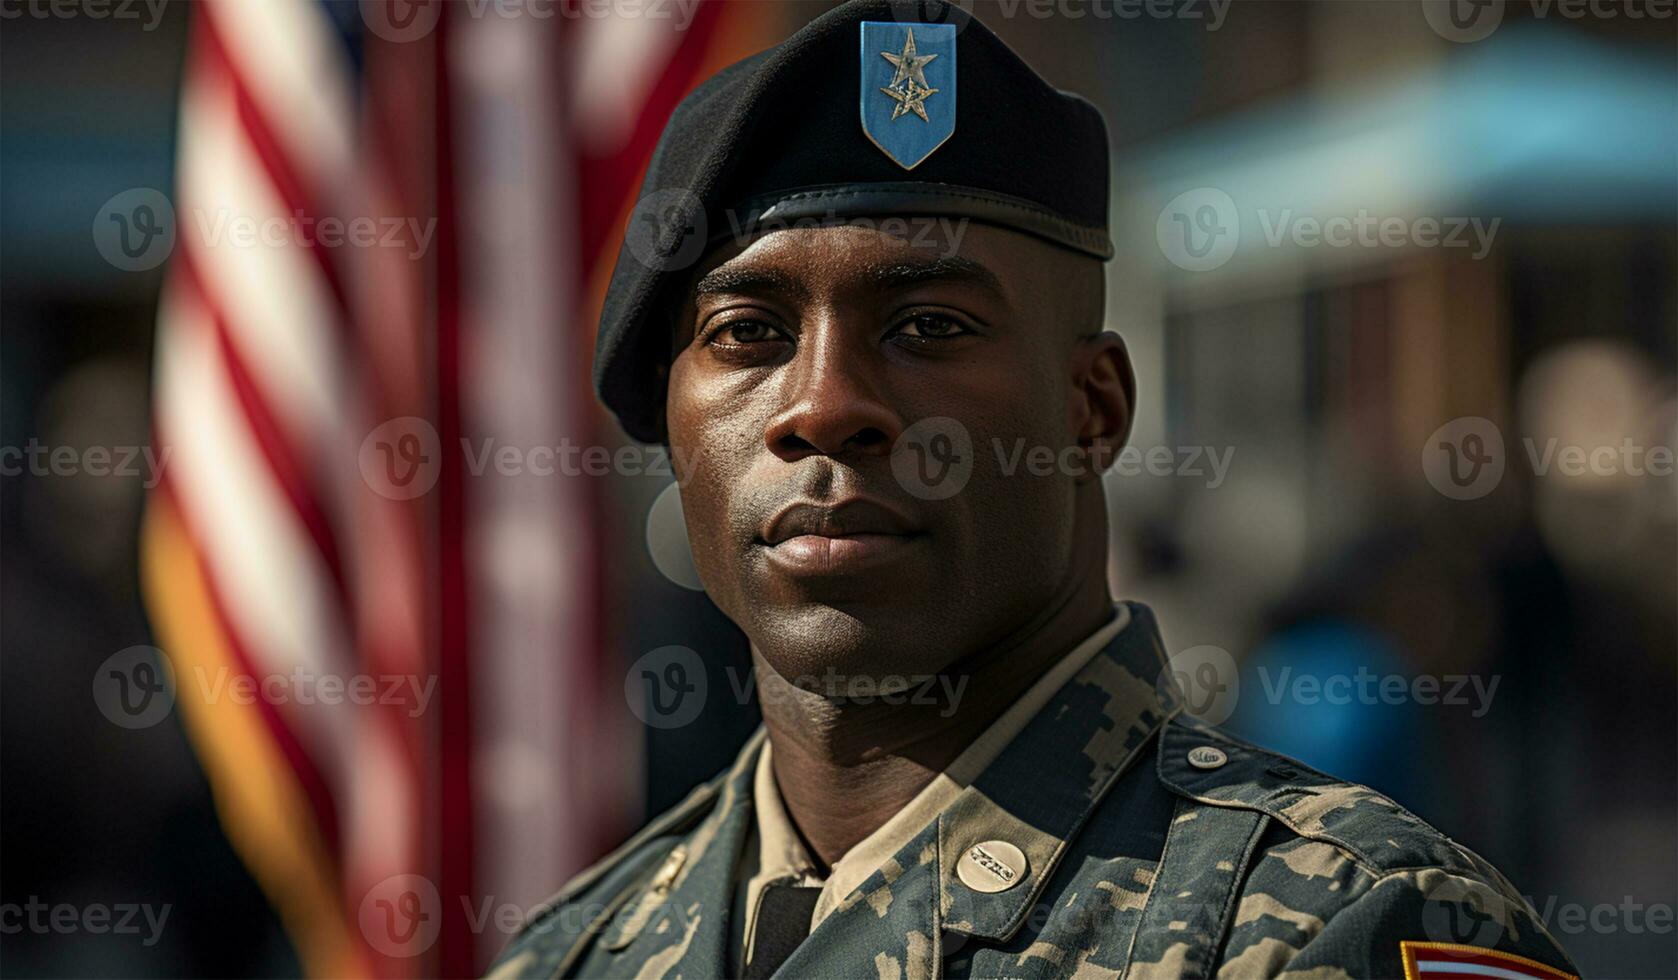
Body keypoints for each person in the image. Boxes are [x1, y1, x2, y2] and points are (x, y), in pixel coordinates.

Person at [490, 1, 1579, 976]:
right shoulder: (575, 950)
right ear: (675, 427)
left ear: (1092, 407)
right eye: (748, 332)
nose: (821, 404)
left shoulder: (1347, 926)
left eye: (927, 327)